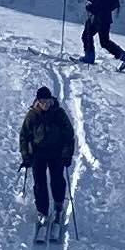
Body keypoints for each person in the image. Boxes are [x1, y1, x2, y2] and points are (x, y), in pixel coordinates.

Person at [19, 86, 78, 239]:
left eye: (47, 101)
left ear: (51, 100)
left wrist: (67, 153)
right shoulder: (32, 115)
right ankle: (42, 211)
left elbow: (69, 135)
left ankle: (58, 206)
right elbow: (24, 137)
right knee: (39, 184)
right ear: (38, 102)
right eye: (42, 102)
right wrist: (26, 155)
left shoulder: (59, 114)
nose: (44, 104)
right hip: (38, 154)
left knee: (57, 180)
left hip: (56, 153)